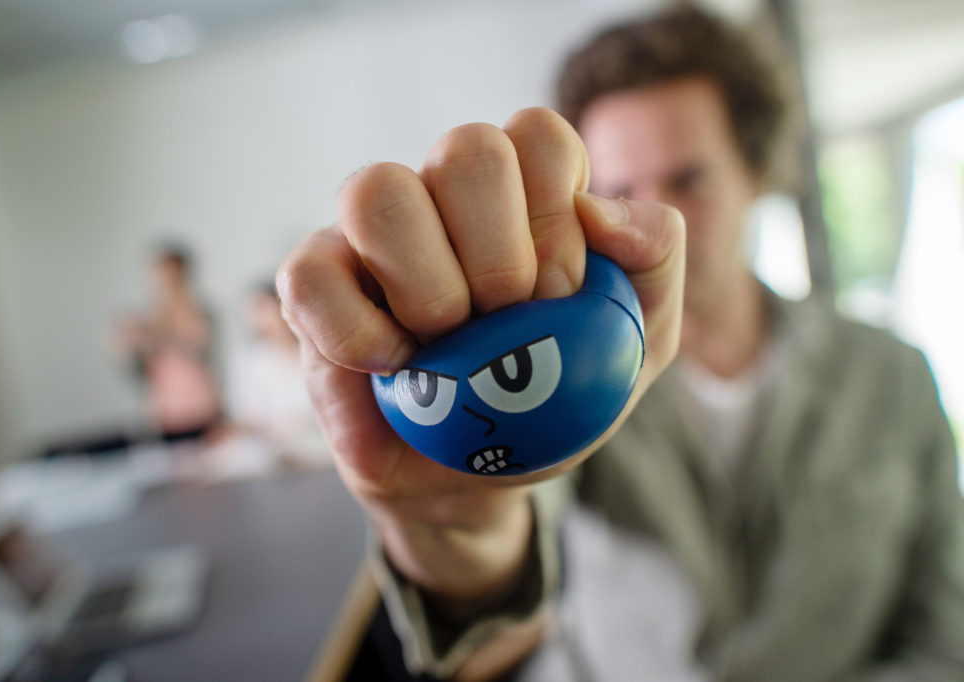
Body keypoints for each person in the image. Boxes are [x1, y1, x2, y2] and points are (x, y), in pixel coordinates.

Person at [278, 6, 964, 681]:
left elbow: (947, 631)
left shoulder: (893, 374)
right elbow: (503, 557)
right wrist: (448, 520)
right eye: (617, 190)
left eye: (688, 179)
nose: (656, 215)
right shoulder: (563, 371)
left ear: (757, 173)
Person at [115, 244, 221, 442]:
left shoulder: (200, 313)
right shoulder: (145, 318)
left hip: (202, 410)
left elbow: (200, 351)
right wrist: (126, 348)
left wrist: (158, 333)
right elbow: (136, 372)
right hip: (163, 414)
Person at [222, 282, 330, 470]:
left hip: (319, 450)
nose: (258, 320)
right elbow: (245, 417)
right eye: (253, 313)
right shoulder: (248, 360)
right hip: (270, 455)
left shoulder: (319, 350)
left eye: (263, 308)